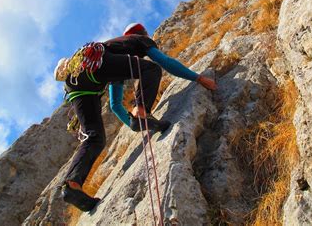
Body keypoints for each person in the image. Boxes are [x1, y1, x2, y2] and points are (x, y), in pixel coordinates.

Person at [54, 23, 217, 211]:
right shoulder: (138, 40)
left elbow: (115, 105)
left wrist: (134, 125)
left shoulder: (115, 54)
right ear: (141, 33)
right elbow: (163, 62)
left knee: (94, 137)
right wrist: (199, 78)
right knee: (151, 69)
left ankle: (72, 185)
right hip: (95, 64)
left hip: (77, 85)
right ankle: (141, 111)